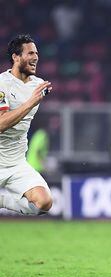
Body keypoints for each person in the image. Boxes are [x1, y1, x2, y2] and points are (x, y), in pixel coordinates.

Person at [0, 34, 53, 216]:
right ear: (16, 57)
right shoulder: (2, 84)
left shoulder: (38, 85)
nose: (36, 57)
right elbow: (1, 124)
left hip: (16, 163)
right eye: (30, 53)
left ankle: (3, 200)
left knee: (44, 203)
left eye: (36, 53)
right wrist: (30, 102)